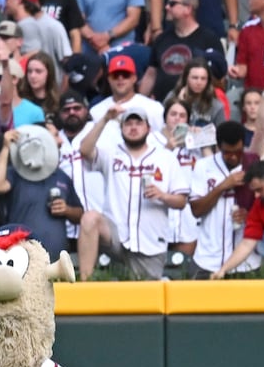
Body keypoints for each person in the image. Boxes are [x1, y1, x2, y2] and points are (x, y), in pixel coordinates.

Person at [78, 107, 189, 280]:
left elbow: (181, 201)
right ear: (121, 129)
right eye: (128, 123)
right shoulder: (112, 154)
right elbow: (84, 151)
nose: (133, 127)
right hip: (116, 236)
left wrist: (162, 195)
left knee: (148, 301)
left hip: (150, 241)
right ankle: (84, 285)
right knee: (90, 218)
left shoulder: (165, 157)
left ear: (148, 129)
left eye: (138, 123)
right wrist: (105, 119)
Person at [0, 126, 84, 261]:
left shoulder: (61, 176)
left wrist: (67, 210)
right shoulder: (16, 173)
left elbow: (80, 215)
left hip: (57, 262)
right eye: (55, 135)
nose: (61, 140)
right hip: (23, 259)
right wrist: (5, 148)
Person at [190, 121, 262, 278]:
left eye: (238, 151)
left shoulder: (253, 165)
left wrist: (249, 215)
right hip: (208, 260)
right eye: (227, 152)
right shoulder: (203, 166)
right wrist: (223, 186)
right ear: (218, 146)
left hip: (246, 262)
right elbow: (196, 210)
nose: (233, 156)